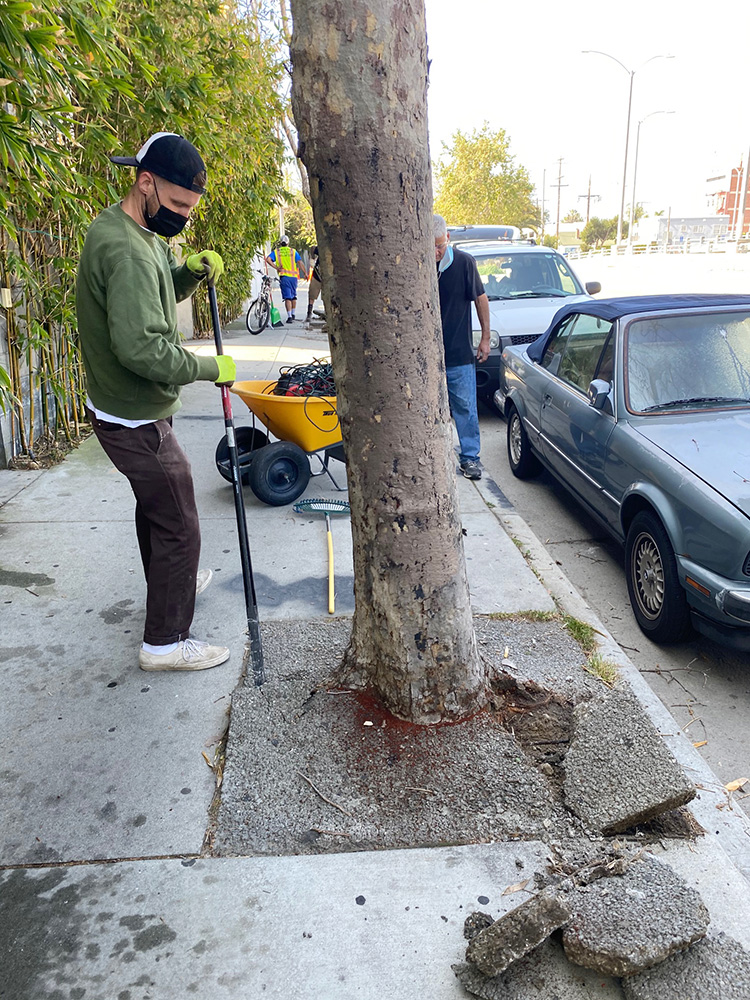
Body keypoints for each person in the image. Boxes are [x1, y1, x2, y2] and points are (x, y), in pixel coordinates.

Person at [76, 131, 237, 672]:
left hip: (131, 410)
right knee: (180, 524)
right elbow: (142, 348)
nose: (182, 218)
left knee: (159, 512)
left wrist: (186, 271)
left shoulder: (135, 231)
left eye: (190, 210)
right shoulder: (123, 249)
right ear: (145, 183)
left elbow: (156, 291)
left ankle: (174, 579)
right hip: (135, 418)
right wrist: (209, 367)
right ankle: (165, 642)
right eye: (175, 205)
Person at [433, 214, 491, 480]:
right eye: (430, 246)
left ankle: (470, 458)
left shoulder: (464, 263)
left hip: (458, 354)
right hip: (425, 359)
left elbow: (480, 299)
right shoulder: (417, 265)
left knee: (465, 408)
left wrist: (485, 338)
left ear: (448, 239)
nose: (435, 252)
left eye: (440, 246)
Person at [265, 235, 306, 323]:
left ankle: (290, 316)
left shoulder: (277, 252)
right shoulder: (293, 251)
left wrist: (276, 268)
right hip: (293, 278)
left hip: (284, 277)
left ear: (280, 243)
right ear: (288, 243)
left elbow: (268, 259)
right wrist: (305, 273)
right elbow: (300, 262)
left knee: (287, 297)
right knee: (293, 296)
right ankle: (294, 313)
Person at [305, 245, 323, 323]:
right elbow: (312, 249)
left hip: (328, 277)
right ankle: (309, 313)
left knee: (327, 297)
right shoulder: (322, 248)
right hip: (317, 275)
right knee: (312, 295)